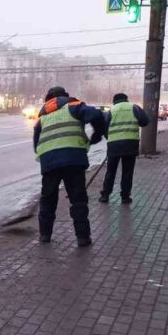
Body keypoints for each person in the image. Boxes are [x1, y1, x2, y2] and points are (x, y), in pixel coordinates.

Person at [34, 86, 106, 247]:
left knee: (48, 200)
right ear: (64, 96)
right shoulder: (73, 106)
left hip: (49, 163)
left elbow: (36, 140)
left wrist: (43, 157)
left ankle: (45, 235)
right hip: (73, 160)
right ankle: (83, 238)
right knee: (78, 200)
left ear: (49, 99)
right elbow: (97, 114)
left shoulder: (43, 116)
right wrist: (98, 134)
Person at [99, 93, 149, 204]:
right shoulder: (134, 108)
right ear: (126, 99)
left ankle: (105, 195)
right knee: (127, 172)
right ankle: (125, 197)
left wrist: (110, 137)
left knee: (110, 171)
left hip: (114, 145)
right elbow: (145, 122)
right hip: (131, 144)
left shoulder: (111, 111)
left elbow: (104, 127)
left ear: (114, 101)